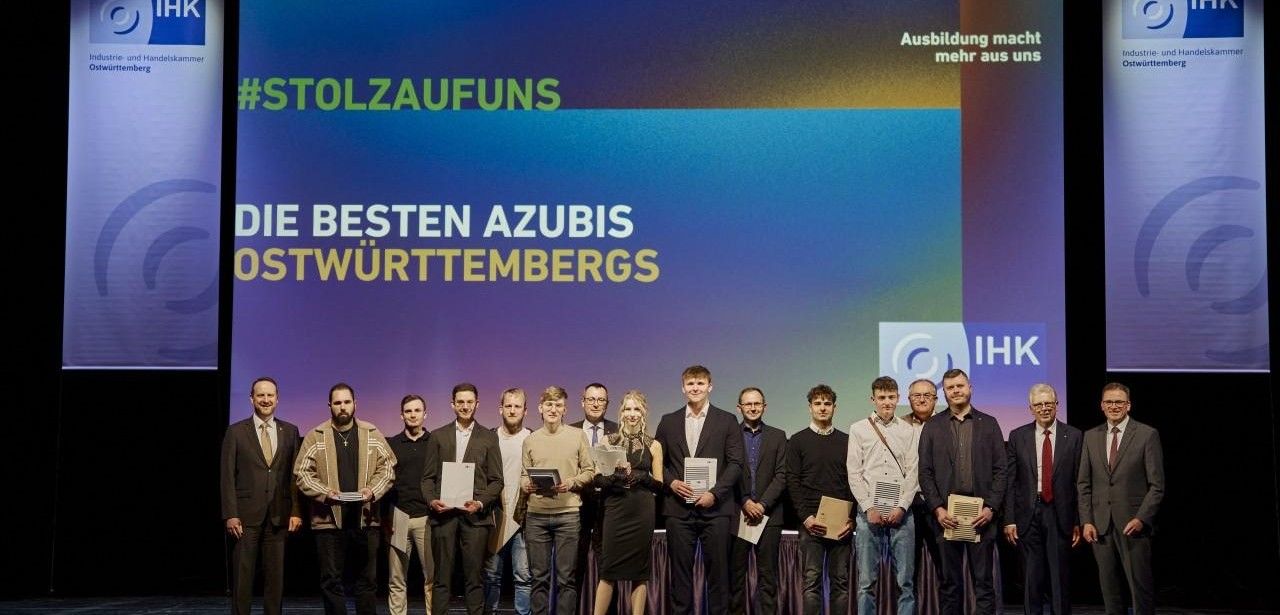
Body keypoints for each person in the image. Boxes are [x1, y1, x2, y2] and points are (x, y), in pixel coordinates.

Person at [295, 383, 396, 615]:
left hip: (365, 519)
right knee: (331, 581)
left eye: (347, 402)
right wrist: (325, 493)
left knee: (367, 580)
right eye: (337, 403)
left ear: (355, 404)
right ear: (330, 405)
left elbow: (388, 468)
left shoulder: (371, 433)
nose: (343, 407)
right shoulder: (316, 435)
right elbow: (302, 473)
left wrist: (372, 490)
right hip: (329, 521)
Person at [653, 365, 744, 614]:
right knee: (680, 577)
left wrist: (714, 493)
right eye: (690, 384)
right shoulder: (668, 421)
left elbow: (736, 464)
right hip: (678, 511)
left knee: (719, 576)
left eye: (700, 383)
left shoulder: (727, 420)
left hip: (716, 510)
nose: (695, 388)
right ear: (683, 388)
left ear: (710, 386)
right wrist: (671, 482)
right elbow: (657, 461)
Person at [917, 369, 1007, 615]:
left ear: (970, 388)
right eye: (950, 387)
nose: (956, 391)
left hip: (982, 517)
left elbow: (1001, 470)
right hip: (946, 517)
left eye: (960, 386)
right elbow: (925, 472)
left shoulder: (989, 423)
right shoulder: (932, 426)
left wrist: (991, 508)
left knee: (984, 584)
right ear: (944, 393)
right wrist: (937, 509)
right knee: (949, 584)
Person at [1077, 383, 1164, 615]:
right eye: (1109, 402)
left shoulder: (1147, 434)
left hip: (1133, 525)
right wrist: (1087, 521)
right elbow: (1083, 484)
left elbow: (1157, 486)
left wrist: (1141, 518)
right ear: (1102, 405)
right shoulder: (1090, 436)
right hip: (1100, 526)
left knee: (1140, 590)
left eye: (1119, 402)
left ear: (1128, 405)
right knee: (1110, 591)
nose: (1113, 406)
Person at [221, 376, 303, 615]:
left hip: (279, 515)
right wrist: (230, 514)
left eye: (270, 395)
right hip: (245, 517)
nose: (265, 400)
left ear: (277, 399)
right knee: (242, 578)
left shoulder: (290, 431)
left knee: (275, 579)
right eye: (260, 395)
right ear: (252, 399)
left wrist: (296, 511)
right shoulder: (236, 431)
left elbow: (295, 476)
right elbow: (227, 476)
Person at [422, 383, 504, 615]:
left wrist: (480, 503)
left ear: (477, 404)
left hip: (475, 518)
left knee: (474, 578)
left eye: (469, 402)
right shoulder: (438, 436)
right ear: (453, 404)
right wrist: (432, 500)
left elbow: (497, 480)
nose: (465, 406)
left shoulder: (489, 437)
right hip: (444, 516)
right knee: (441, 578)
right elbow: (427, 478)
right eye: (460, 402)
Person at [1003, 383, 1082, 615]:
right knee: (1031, 578)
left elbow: (1079, 481)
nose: (1044, 408)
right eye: (1038, 404)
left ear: (1057, 405)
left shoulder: (1074, 435)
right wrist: (1009, 519)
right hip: (1028, 513)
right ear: (1031, 408)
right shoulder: (1017, 436)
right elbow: (1011, 481)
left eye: (1048, 403)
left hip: (1060, 513)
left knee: (1059, 577)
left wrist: (1078, 520)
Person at [847, 376, 920, 615]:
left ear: (898, 398)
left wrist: (902, 506)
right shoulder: (858, 429)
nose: (886, 402)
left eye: (891, 397)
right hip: (869, 513)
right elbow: (854, 472)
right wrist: (869, 507)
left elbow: (913, 472)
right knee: (866, 582)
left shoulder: (908, 430)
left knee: (905, 582)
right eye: (881, 397)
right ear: (873, 399)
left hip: (902, 513)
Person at [521, 386, 595, 615]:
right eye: (549, 404)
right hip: (536, 516)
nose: (553, 409)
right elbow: (523, 475)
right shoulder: (530, 439)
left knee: (566, 579)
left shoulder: (577, 435)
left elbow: (590, 471)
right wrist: (526, 485)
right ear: (540, 408)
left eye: (558, 405)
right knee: (539, 578)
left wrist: (571, 483)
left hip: (568, 515)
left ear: (565, 410)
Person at [592, 390, 664, 615]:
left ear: (644, 413)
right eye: (627, 409)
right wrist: (616, 476)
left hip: (642, 511)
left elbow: (659, 485)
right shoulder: (608, 440)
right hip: (615, 510)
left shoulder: (654, 445)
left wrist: (641, 476)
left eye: (637, 409)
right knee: (608, 571)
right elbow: (597, 479)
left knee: (639, 574)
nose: (632, 414)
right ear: (621, 412)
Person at [788, 384, 854, 614]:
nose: (823, 408)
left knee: (841, 583)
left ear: (835, 407)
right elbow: (792, 482)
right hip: (810, 522)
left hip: (841, 524)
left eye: (827, 403)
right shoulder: (797, 441)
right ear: (810, 408)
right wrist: (806, 518)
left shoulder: (847, 441)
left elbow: (853, 482)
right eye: (818, 404)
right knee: (811, 582)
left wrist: (851, 519)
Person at [729, 387, 787, 615]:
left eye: (757, 403)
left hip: (769, 516)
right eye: (748, 404)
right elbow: (726, 473)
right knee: (735, 579)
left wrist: (762, 505)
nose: (753, 408)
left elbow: (782, 475)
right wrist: (744, 501)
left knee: (768, 579)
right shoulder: (729, 435)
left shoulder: (778, 436)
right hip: (737, 513)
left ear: (764, 406)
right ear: (739, 407)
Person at [384, 394, 436, 615]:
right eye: (408, 411)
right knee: (396, 578)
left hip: (427, 517)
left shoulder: (435, 442)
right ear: (401, 415)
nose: (413, 415)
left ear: (425, 414)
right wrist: (386, 517)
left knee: (431, 577)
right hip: (399, 517)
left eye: (417, 410)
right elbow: (385, 482)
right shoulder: (392, 444)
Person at [484, 388, 533, 615]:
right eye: (508, 406)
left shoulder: (532, 438)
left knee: (523, 576)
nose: (512, 410)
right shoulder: (489, 438)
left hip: (522, 518)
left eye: (517, 406)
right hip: (495, 517)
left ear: (525, 410)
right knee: (491, 575)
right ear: (500, 409)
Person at [570, 383, 618, 610]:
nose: (596, 404)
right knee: (573, 568)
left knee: (609, 569)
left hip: (609, 506)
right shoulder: (570, 431)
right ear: (583, 402)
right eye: (591, 399)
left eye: (601, 400)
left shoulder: (618, 431)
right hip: (577, 505)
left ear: (607, 404)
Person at [902, 379, 942, 597]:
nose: (922, 399)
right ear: (909, 399)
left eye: (927, 395)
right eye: (917, 395)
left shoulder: (946, 424)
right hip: (908, 505)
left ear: (936, 399)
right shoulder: (898, 426)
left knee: (946, 570)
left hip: (940, 506)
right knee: (907, 574)